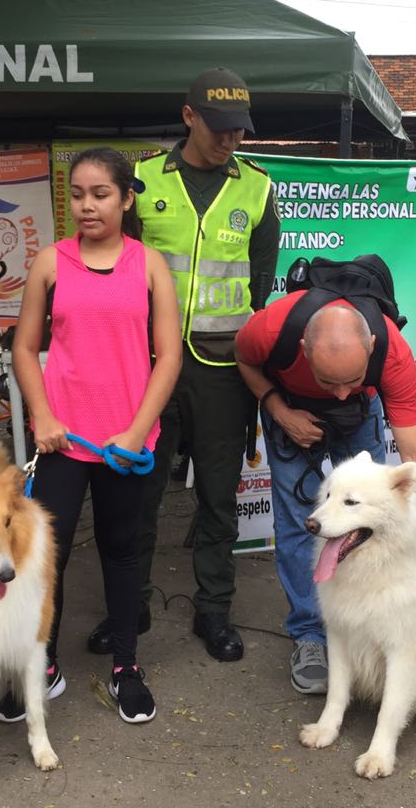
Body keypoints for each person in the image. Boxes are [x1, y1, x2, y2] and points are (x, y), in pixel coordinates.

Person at [85, 67, 280, 664]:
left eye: (238, 131)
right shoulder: (140, 180)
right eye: (218, 128)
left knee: (220, 495)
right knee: (138, 491)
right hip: (148, 365)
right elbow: (116, 269)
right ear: (189, 116)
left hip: (223, 368)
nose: (229, 141)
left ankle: (214, 610)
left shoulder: (257, 187)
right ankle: (131, 604)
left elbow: (259, 281)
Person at [9, 146, 181, 725]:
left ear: (127, 198)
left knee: (123, 552)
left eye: (100, 194)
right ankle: (43, 663)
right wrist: (43, 416)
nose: (87, 206)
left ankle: (126, 666)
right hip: (61, 441)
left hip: (127, 445)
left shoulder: (149, 264)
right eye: (77, 195)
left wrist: (136, 431)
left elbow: (168, 354)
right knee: (43, 555)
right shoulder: (49, 263)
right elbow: (25, 348)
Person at [234, 283, 416, 694]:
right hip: (293, 410)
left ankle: (363, 625)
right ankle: (309, 637)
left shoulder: (391, 352)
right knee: (303, 523)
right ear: (303, 347)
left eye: (351, 378)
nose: (340, 391)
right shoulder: (270, 329)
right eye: (328, 379)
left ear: (370, 346)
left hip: (361, 416)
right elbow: (244, 360)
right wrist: (279, 410)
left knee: (363, 521)